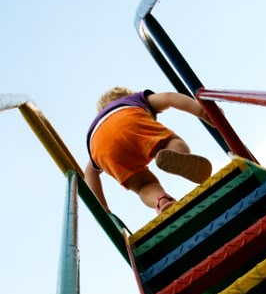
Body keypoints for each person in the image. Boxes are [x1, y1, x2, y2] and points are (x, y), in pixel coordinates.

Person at [84, 86, 213, 215]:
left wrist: (103, 209)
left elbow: (90, 172)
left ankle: (162, 201)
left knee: (143, 186)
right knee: (172, 142)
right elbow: (169, 97)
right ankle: (176, 154)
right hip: (127, 120)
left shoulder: (98, 122)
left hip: (99, 145)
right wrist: (202, 112)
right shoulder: (133, 99)